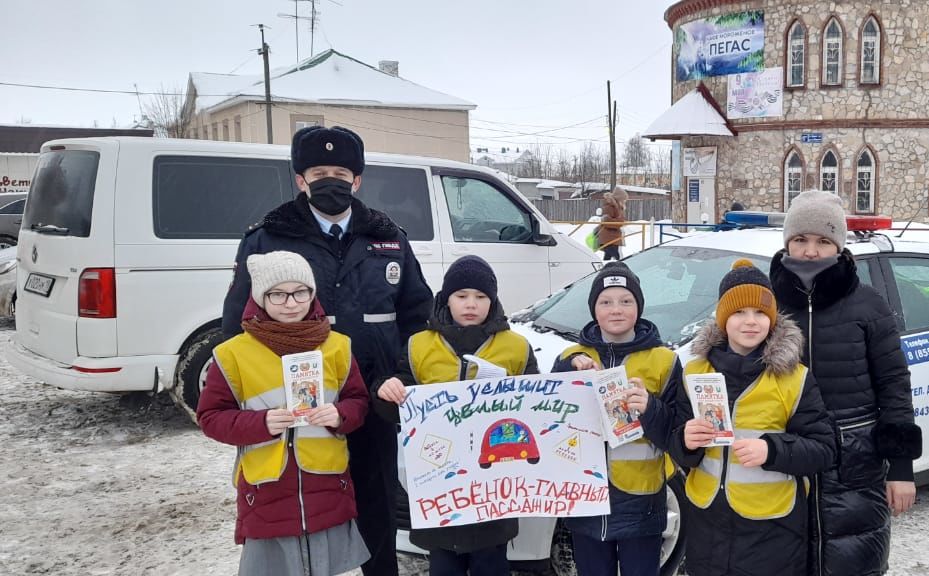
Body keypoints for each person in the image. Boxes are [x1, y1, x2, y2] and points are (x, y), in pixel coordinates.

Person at [222, 126, 435, 576]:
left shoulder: (389, 236)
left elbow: (419, 318)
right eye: (319, 172)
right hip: (297, 404)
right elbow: (236, 325)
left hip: (376, 397)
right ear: (301, 179)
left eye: (341, 172)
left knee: (376, 501)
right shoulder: (267, 238)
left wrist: (403, 376)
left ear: (357, 180)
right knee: (304, 508)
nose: (331, 180)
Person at [768, 191, 920, 576]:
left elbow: (895, 385)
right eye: (800, 239)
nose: (810, 251)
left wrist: (901, 468)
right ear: (787, 242)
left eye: (823, 241)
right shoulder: (766, 306)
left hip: (854, 461)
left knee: (853, 562)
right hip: (787, 457)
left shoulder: (868, 305)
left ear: (839, 245)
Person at [199, 251, 371, 576]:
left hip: (327, 488)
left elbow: (358, 401)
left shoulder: (337, 346)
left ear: (312, 293)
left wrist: (339, 415)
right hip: (266, 493)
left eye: (300, 292)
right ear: (260, 297)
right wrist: (260, 423)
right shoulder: (232, 354)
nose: (290, 303)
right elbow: (211, 417)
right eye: (277, 294)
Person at [372, 255, 539, 576]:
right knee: (445, 565)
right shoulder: (419, 345)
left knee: (491, 563)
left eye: (481, 297)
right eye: (461, 296)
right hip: (440, 484)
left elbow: (536, 409)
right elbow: (397, 406)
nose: (471, 304)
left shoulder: (517, 347)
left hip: (495, 487)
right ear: (446, 298)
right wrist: (385, 389)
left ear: (493, 301)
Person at [671, 259, 836, 576]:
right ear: (722, 319)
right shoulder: (695, 371)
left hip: (772, 533)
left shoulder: (794, 378)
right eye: (738, 312)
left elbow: (824, 450)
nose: (751, 322)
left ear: (772, 319)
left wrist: (772, 450)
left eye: (760, 312)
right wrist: (685, 440)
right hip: (707, 527)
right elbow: (681, 451)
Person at [552, 261, 682, 576]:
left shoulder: (664, 361)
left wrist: (650, 407)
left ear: (639, 306)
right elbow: (549, 419)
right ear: (593, 309)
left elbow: (678, 433)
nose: (616, 310)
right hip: (586, 498)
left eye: (626, 301)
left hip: (641, 500)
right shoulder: (571, 357)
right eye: (606, 302)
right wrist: (569, 374)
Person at [598, 188, 629, 261]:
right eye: (623, 199)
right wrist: (620, 222)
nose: (624, 202)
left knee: (608, 257)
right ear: (619, 198)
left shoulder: (617, 206)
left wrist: (621, 221)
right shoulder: (610, 206)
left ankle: (605, 270)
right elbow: (606, 221)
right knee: (616, 257)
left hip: (613, 237)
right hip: (609, 236)